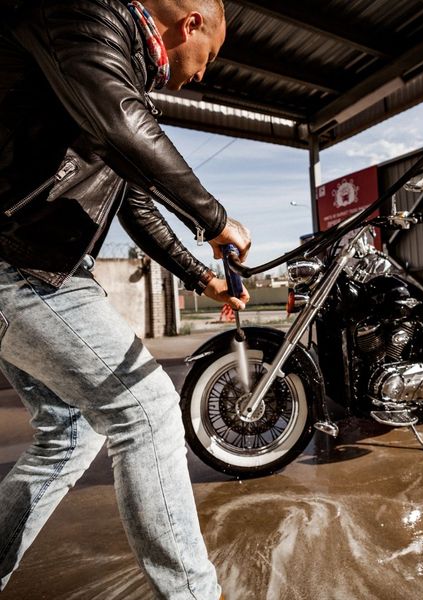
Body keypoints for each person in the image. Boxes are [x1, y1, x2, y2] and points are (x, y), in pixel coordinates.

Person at [0, 0, 249, 598]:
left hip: (37, 265)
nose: (203, 73)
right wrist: (214, 217)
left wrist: (202, 276)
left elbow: (133, 202)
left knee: (70, 433)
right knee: (147, 408)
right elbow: (122, 123)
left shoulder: (117, 71)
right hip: (20, 263)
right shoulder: (82, 20)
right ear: (189, 24)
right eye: (208, 56)